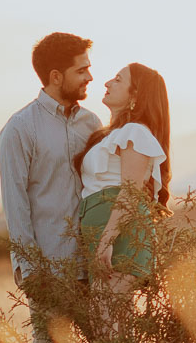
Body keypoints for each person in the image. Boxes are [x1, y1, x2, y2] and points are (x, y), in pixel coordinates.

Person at [0, 32, 100, 343]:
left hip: (94, 269)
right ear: (56, 77)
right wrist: (31, 271)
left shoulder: (93, 123)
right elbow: (16, 205)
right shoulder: (19, 129)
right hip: (49, 272)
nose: (90, 76)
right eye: (81, 70)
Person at [73, 62, 171, 296]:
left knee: (108, 323)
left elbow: (130, 192)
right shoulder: (114, 134)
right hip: (104, 236)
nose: (107, 83)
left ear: (135, 94)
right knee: (109, 325)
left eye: (118, 79)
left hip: (118, 238)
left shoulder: (135, 132)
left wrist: (107, 242)